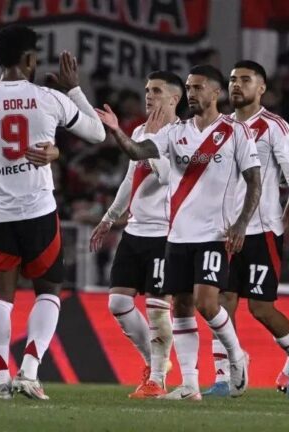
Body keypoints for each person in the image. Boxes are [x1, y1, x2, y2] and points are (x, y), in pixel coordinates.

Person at [0, 25, 105, 399]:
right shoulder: (47, 98)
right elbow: (98, 134)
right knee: (48, 292)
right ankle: (29, 369)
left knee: (0, 298)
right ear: (29, 59)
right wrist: (73, 88)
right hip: (38, 210)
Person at [97, 64, 261, 400]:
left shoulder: (235, 132)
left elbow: (254, 180)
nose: (192, 93)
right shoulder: (175, 133)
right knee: (183, 308)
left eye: (198, 87)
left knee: (206, 303)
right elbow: (139, 153)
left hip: (215, 233)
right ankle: (189, 384)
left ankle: (235, 355)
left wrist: (242, 223)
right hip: (177, 236)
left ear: (215, 93)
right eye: (189, 87)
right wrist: (117, 131)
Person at [202, 60, 289, 398]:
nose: (236, 86)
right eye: (232, 80)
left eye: (245, 80)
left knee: (260, 308)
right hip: (224, 232)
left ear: (261, 88)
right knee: (222, 302)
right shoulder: (219, 127)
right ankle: (225, 375)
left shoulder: (275, 127)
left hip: (262, 231)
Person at [89, 71, 185, 399]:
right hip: (135, 230)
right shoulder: (143, 131)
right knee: (118, 303)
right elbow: (131, 178)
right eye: (146, 90)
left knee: (158, 307)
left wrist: (154, 142)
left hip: (165, 232)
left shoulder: (182, 135)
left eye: (156, 91)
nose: (148, 96)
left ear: (174, 98)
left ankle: (157, 378)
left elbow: (169, 177)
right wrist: (109, 217)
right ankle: (153, 362)